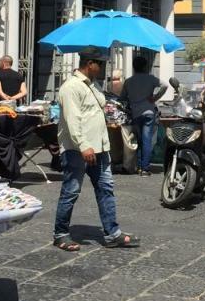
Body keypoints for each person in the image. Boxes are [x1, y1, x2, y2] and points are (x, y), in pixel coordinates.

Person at [52, 48, 140, 251]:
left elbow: (99, 106)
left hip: (100, 148)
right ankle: (61, 233)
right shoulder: (71, 87)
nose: (102, 68)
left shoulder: (92, 85)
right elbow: (73, 120)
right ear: (89, 63)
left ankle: (112, 233)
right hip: (78, 149)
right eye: (100, 64)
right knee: (71, 191)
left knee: (105, 189)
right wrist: (84, 146)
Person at [122, 54, 165, 177]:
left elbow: (122, 98)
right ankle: (145, 169)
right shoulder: (151, 78)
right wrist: (155, 97)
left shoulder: (128, 81)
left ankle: (139, 166)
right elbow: (165, 85)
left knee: (140, 140)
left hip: (136, 114)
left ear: (134, 67)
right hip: (149, 113)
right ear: (145, 67)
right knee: (147, 141)